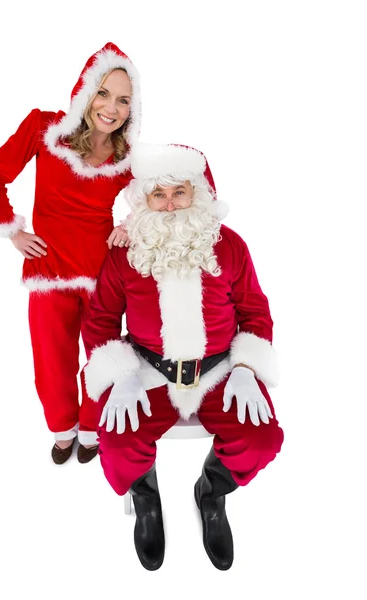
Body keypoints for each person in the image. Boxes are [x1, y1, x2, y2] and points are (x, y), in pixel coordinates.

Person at [82, 143, 284, 570]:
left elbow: (255, 312)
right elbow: (99, 321)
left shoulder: (229, 246)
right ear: (145, 200)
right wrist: (120, 375)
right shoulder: (124, 252)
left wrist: (247, 368)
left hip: (220, 372)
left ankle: (211, 493)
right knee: (116, 445)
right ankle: (146, 498)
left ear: (199, 193)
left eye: (180, 192)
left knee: (260, 440)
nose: (170, 204)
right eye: (159, 194)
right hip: (148, 372)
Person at [0, 42, 141, 464]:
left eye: (123, 99)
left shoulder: (127, 157)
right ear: (85, 91)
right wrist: (13, 231)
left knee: (102, 358)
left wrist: (129, 225)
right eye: (103, 93)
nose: (111, 107)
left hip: (102, 274)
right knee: (52, 365)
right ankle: (63, 429)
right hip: (49, 269)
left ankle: (91, 430)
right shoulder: (43, 128)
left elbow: (156, 199)